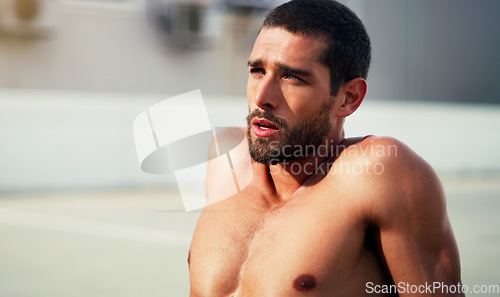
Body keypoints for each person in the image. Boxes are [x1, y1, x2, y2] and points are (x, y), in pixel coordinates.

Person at [189, 0, 463, 296]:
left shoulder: (377, 175)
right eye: (257, 70)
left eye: (292, 77)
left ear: (348, 97)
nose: (262, 97)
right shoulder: (226, 155)